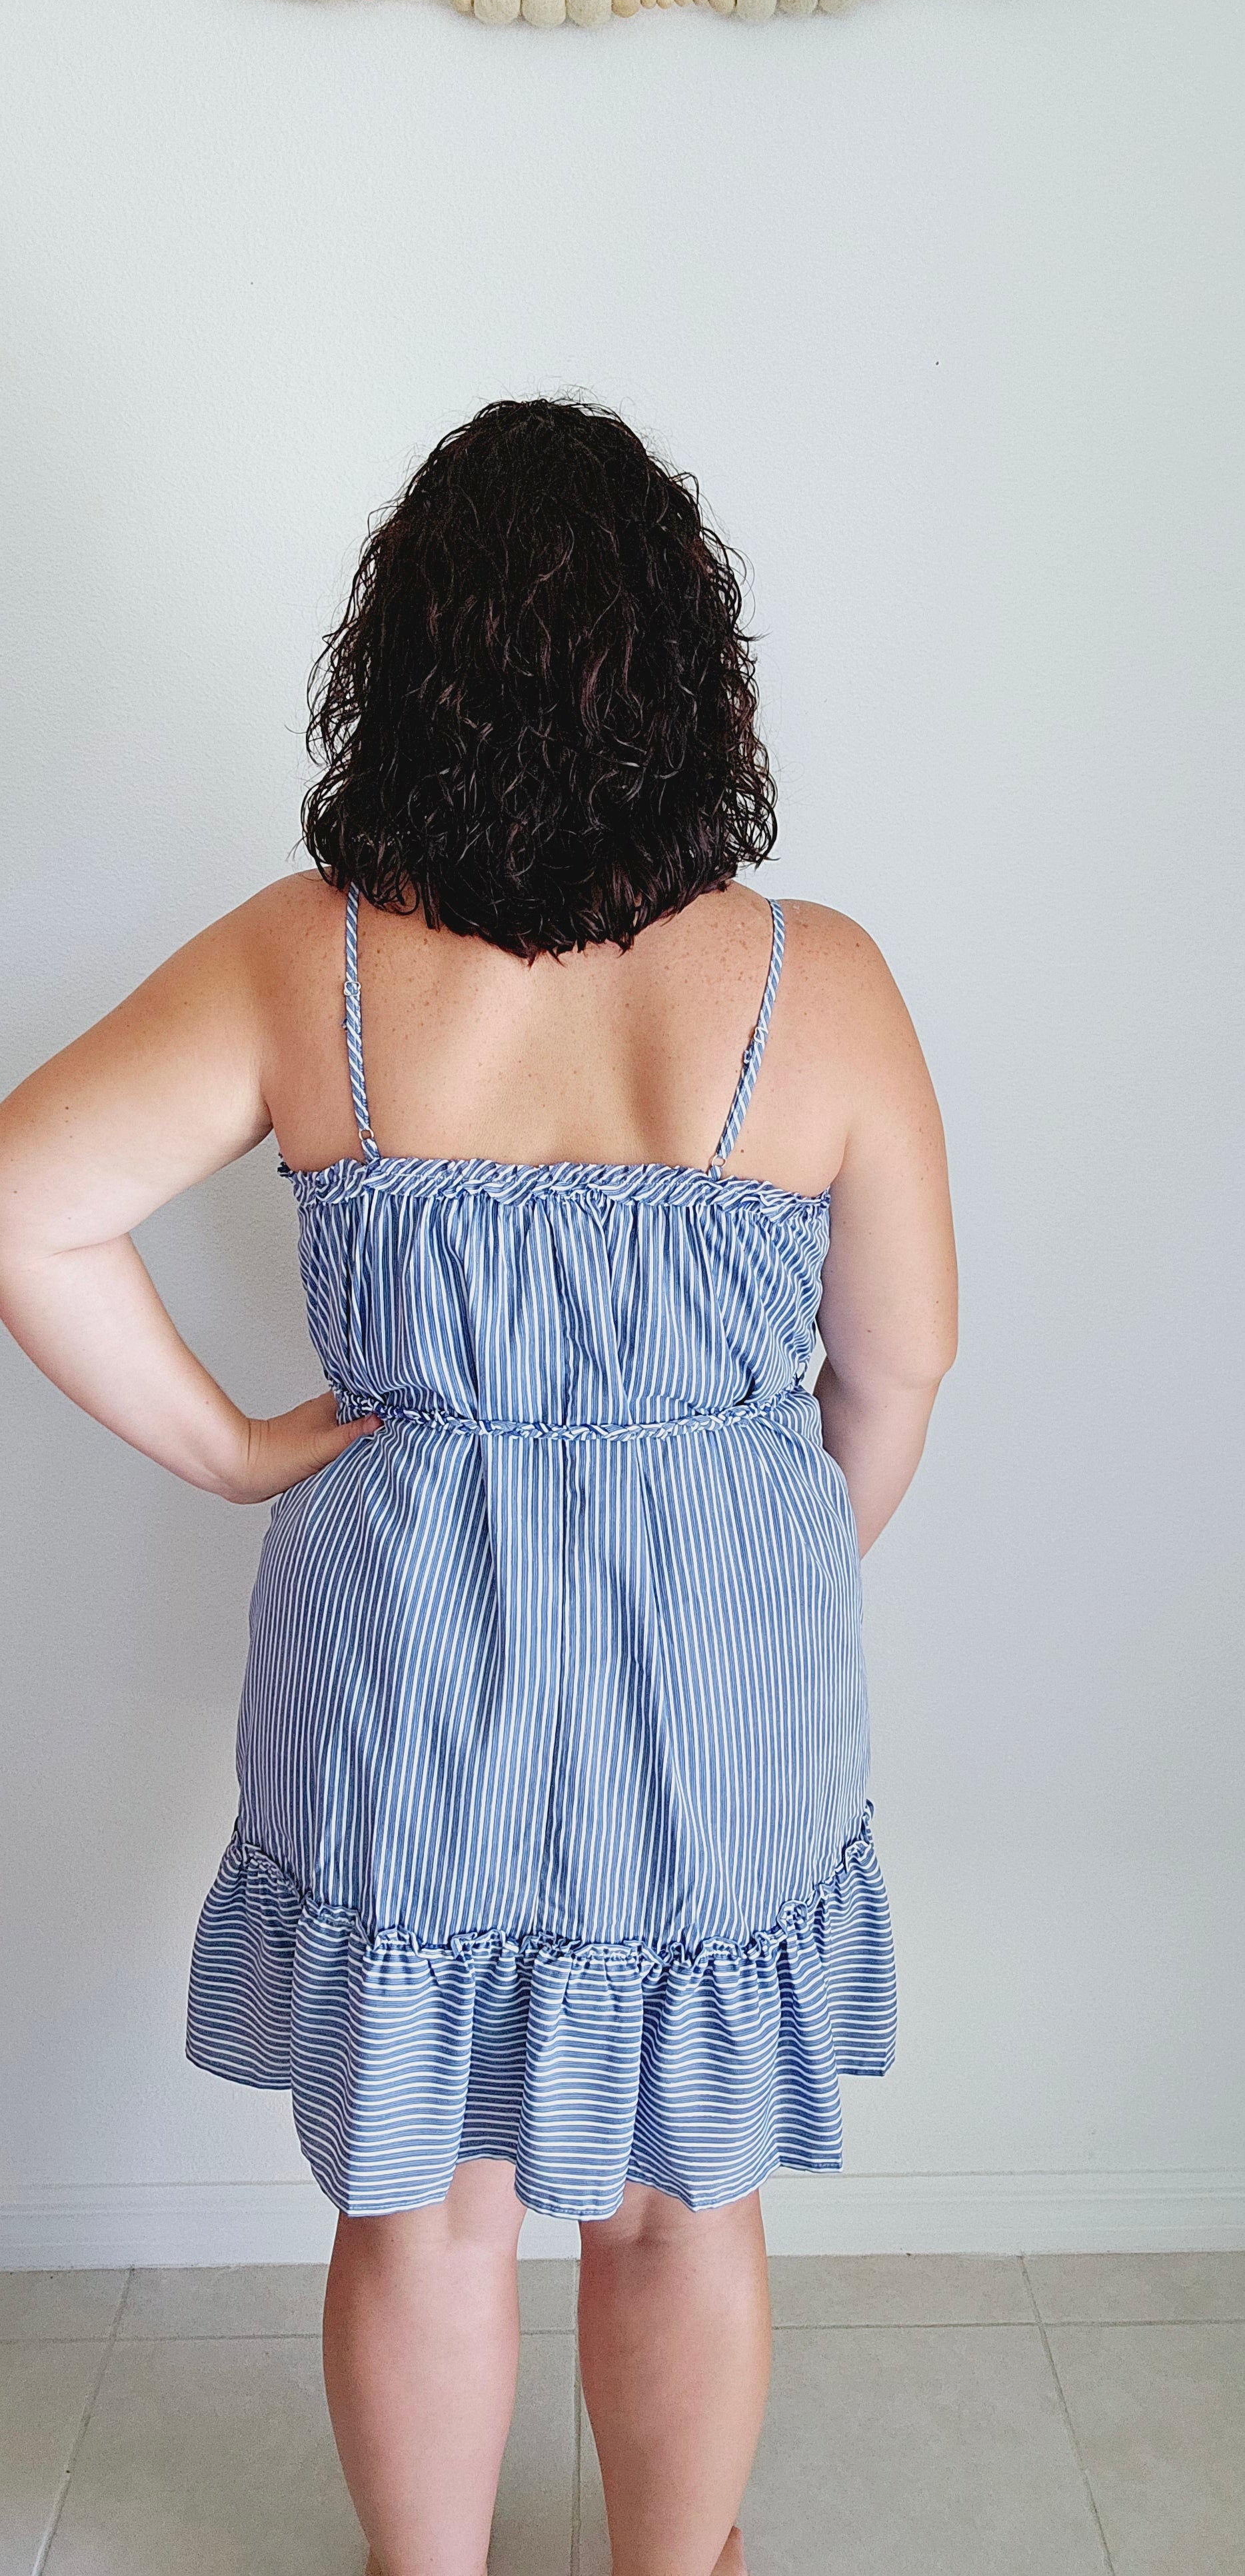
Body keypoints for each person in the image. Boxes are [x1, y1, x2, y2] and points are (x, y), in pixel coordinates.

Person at [0, 396, 957, 2576]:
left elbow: (23, 1202)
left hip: (403, 1656)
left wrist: (243, 1451)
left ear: (403, 665)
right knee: (671, 2190)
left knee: (419, 2198)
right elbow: (897, 1373)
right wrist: (760, 1558)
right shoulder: (819, 985)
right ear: (690, 670)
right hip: (717, 1666)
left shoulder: (308, 954)